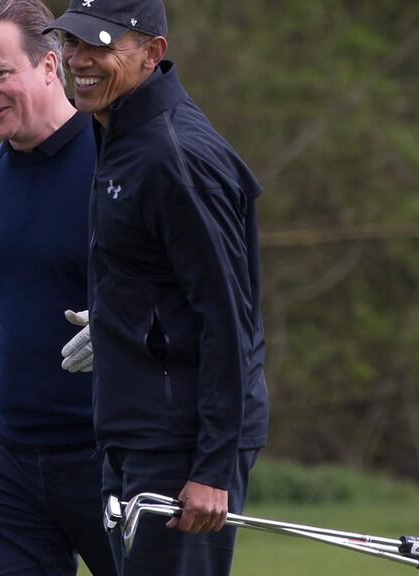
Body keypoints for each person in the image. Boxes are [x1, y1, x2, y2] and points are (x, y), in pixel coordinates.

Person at [44, 1, 270, 574]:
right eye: (71, 43)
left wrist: (212, 468)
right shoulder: (116, 133)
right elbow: (156, 280)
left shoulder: (175, 158)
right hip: (135, 432)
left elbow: (228, 319)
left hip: (182, 444)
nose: (79, 61)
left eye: (99, 45)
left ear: (152, 53)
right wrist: (118, 321)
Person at [0, 1, 116, 575]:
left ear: (50, 66)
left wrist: (120, 326)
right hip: (12, 464)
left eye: (0, 73)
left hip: (111, 460)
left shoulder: (118, 161)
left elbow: (195, 303)